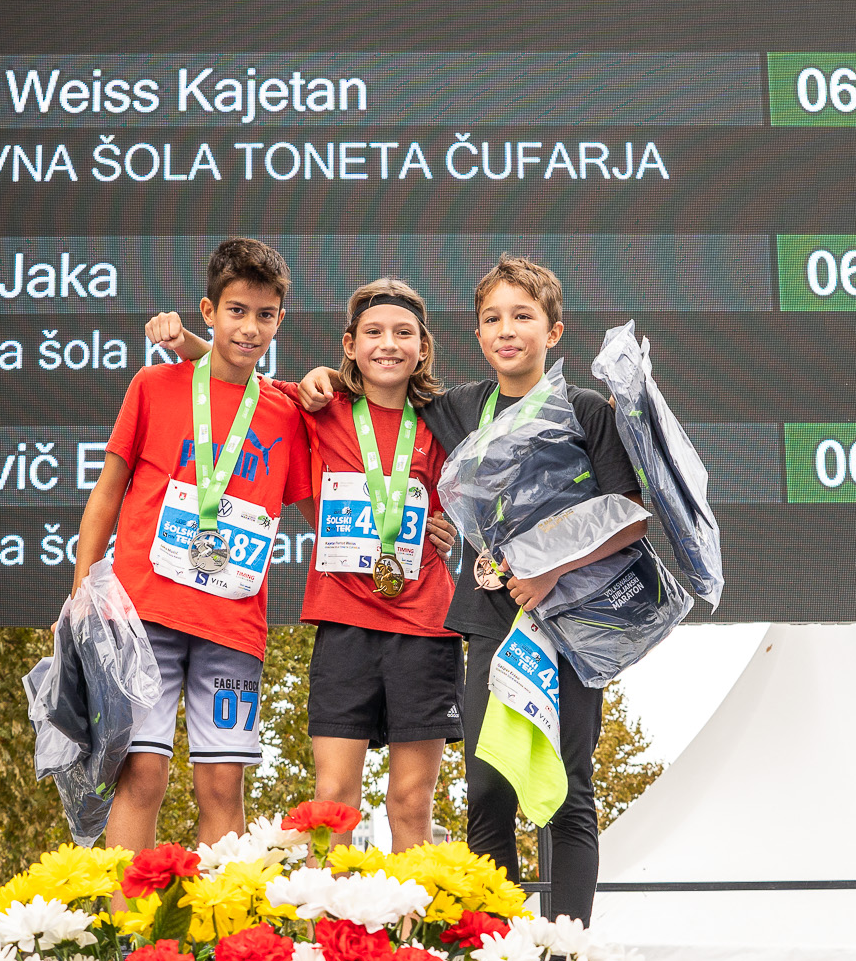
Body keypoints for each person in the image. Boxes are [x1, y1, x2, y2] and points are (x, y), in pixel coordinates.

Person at [291, 255, 646, 923]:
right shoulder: (456, 408)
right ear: (477, 334)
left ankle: (565, 958)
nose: (507, 330)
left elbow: (630, 515)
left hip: (570, 625)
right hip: (488, 622)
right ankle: (497, 956)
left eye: (522, 317)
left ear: (553, 331)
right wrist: (323, 378)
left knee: (568, 792)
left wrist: (550, 570)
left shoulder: (585, 410)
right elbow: (377, 382)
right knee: (485, 793)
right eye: (492, 319)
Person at [149, 278, 464, 849]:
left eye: (403, 333)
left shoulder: (444, 420)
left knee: (411, 801)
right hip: (344, 624)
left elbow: (470, 498)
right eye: (373, 332)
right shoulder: (319, 405)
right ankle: (328, 912)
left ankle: (413, 914)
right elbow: (240, 374)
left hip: (425, 627)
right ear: (349, 345)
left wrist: (453, 527)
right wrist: (185, 340)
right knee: (333, 799)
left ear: (423, 347)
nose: (388, 344)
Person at [71, 238, 313, 850]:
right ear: (209, 311)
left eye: (264, 315)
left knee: (223, 788)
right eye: (237, 311)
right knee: (141, 776)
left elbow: (327, 504)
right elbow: (107, 492)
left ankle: (222, 917)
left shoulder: (285, 413)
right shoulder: (154, 385)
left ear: (280, 320)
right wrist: (81, 590)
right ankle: (127, 915)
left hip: (232, 624)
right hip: (143, 614)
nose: (250, 328)